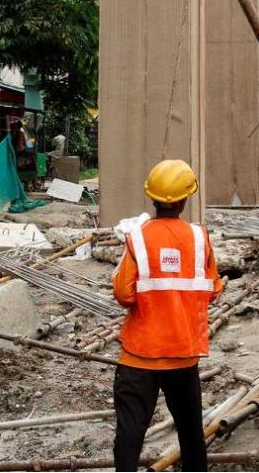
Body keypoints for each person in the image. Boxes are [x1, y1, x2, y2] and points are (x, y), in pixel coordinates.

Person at [111, 159, 222, 472]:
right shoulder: (199, 238)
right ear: (185, 200)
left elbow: (123, 295)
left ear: (152, 198)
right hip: (183, 355)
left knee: (130, 434)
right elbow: (213, 289)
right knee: (190, 432)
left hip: (139, 356)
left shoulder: (138, 238)